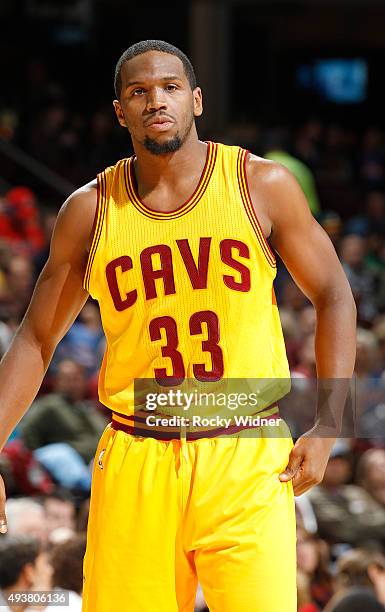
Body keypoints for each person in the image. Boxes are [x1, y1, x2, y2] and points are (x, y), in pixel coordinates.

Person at [0, 40, 356, 611]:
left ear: (195, 100)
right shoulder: (89, 211)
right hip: (137, 453)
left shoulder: (259, 185)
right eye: (138, 92)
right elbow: (37, 339)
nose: (155, 100)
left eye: (168, 88)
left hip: (245, 448)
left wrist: (331, 424)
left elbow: (335, 293)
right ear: (120, 111)